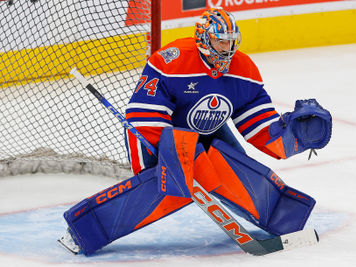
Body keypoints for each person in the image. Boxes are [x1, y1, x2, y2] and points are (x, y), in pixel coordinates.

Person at [60, 7, 332, 255]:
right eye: (220, 41)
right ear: (203, 40)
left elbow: (258, 123)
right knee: (163, 188)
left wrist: (292, 137)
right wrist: (174, 154)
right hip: (162, 135)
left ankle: (285, 217)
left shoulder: (244, 70)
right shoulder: (172, 60)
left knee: (235, 173)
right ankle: (84, 231)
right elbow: (142, 115)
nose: (227, 48)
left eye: (230, 41)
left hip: (209, 132)